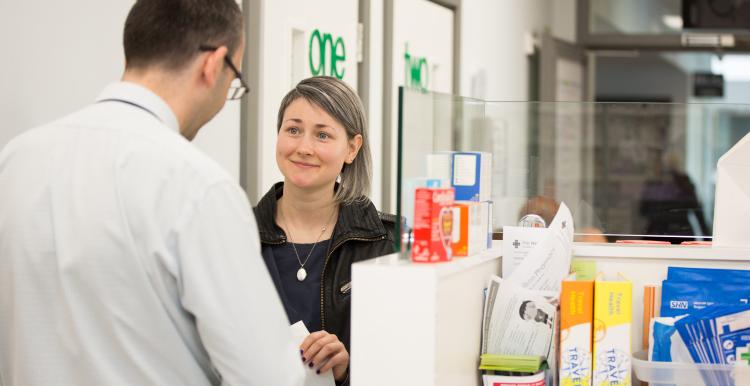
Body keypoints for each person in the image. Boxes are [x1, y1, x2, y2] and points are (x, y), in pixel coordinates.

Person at [0, 1, 302, 385]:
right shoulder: (197, 186)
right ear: (214, 65)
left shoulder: (17, 159)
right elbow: (267, 376)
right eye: (235, 80)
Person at [253, 76, 397, 385]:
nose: (304, 147)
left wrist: (346, 372)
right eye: (293, 130)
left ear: (352, 148)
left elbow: (404, 362)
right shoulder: (239, 236)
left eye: (322, 135)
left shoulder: (388, 243)